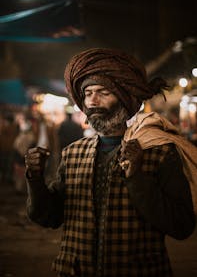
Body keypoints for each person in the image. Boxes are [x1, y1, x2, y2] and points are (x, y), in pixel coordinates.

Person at [25, 48, 196, 277]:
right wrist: (35, 179)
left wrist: (137, 177)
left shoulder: (159, 153)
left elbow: (181, 226)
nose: (93, 101)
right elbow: (49, 216)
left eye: (103, 92)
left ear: (124, 97)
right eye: (87, 93)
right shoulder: (73, 154)